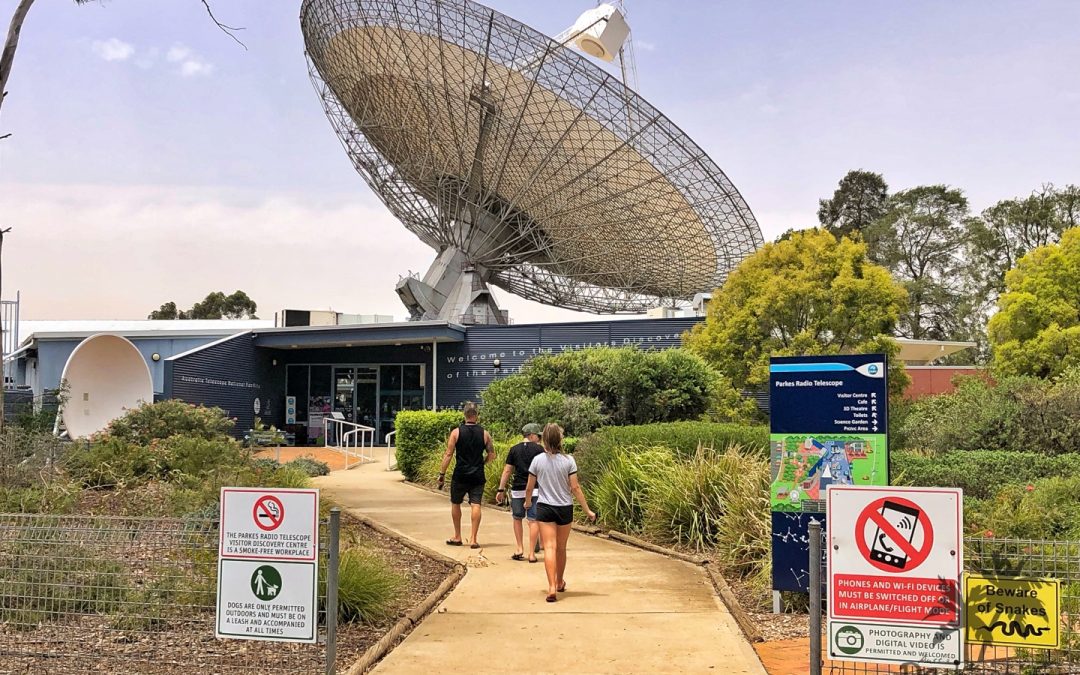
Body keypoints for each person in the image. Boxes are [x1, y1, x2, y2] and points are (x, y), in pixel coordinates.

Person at [525, 423, 596, 602]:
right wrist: (587, 510)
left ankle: (550, 587)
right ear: (560, 439)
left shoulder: (537, 460)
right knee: (561, 548)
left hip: (544, 507)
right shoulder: (569, 460)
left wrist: (527, 502)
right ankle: (559, 581)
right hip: (564, 507)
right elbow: (575, 487)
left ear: (545, 440)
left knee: (549, 547)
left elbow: (529, 487)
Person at [437, 402, 495, 549]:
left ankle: (457, 536)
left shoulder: (456, 433)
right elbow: (492, 454)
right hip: (477, 474)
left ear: (464, 415)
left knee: (456, 503)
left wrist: (442, 473)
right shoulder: (485, 434)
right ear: (477, 415)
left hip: (460, 474)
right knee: (476, 504)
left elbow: (449, 454)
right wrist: (482, 462)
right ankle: (474, 539)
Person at [495, 423, 545, 562]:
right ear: (531, 435)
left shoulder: (514, 450)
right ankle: (532, 553)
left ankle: (519, 548)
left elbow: (507, 470)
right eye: (538, 436)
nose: (539, 439)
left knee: (517, 518)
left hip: (518, 490)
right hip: (535, 489)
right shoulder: (539, 450)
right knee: (533, 519)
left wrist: (501, 489)